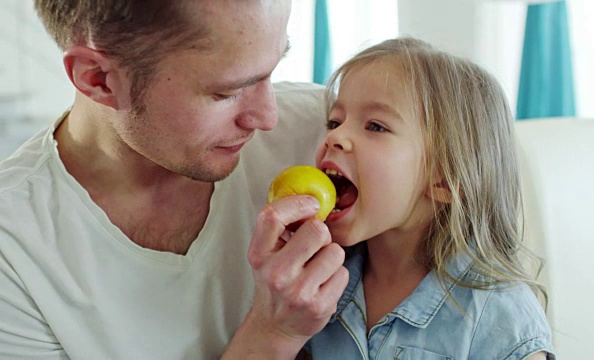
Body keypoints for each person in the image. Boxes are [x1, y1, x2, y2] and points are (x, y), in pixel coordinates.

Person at [0, 1, 347, 359]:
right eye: (226, 92)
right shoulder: (13, 252)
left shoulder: (336, 136)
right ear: (98, 79)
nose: (267, 117)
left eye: (271, 71)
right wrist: (272, 335)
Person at [302, 38, 556, 359]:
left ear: (443, 180)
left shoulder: (501, 317)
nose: (335, 137)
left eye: (376, 126)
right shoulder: (313, 288)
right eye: (334, 122)